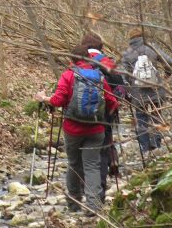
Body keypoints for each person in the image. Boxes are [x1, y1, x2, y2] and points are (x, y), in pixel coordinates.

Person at [36, 45, 119, 216]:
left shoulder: (68, 75)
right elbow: (113, 102)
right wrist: (104, 118)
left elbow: (58, 100)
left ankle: (74, 203)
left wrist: (44, 98)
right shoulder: (99, 76)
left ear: (71, 59)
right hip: (96, 129)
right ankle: (93, 206)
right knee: (92, 166)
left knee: (74, 164)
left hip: (73, 128)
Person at [118, 28, 172, 154]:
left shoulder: (127, 53)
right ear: (144, 36)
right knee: (156, 117)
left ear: (130, 39)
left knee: (141, 119)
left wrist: (128, 91)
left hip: (138, 93)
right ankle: (157, 145)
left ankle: (145, 149)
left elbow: (123, 75)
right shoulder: (152, 47)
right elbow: (169, 61)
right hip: (156, 89)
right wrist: (166, 75)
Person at [81, 32, 121, 198]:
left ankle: (85, 188)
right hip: (105, 113)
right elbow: (120, 87)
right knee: (103, 147)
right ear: (100, 47)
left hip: (80, 115)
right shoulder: (107, 62)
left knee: (84, 150)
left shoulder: (78, 61)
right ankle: (100, 190)